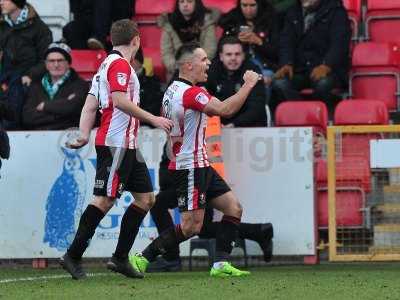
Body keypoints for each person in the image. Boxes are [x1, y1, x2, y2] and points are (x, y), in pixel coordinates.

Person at [129, 42, 260, 278]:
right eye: (203, 60)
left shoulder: (172, 90)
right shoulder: (191, 93)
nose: (208, 63)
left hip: (198, 163)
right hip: (189, 166)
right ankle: (143, 257)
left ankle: (220, 264)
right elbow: (225, 109)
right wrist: (248, 84)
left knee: (233, 208)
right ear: (189, 65)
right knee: (191, 227)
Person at [59, 19, 173, 280]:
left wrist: (85, 134)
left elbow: (90, 104)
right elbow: (120, 101)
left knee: (146, 199)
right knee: (104, 199)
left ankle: (120, 258)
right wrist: (153, 119)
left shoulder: (105, 66)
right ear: (137, 40)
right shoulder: (120, 65)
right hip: (116, 143)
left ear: (111, 39)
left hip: (127, 145)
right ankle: (73, 255)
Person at [148, 143, 273, 272]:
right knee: (203, 228)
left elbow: (177, 167)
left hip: (191, 181)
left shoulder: (182, 133)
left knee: (158, 205)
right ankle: (259, 231)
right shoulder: (180, 134)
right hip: (197, 179)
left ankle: (170, 258)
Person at [271, 0, 351, 115]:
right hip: (300, 70)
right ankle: (302, 115)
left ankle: (319, 116)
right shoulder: (293, 12)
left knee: (323, 84)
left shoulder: (336, 11)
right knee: (279, 83)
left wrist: (327, 65)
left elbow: (339, 44)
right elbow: (286, 42)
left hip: (330, 71)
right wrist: (286, 63)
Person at [0, 0, 52, 129]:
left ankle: (9, 130)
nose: (1, 2)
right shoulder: (2, 26)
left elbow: (46, 59)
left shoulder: (39, 28)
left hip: (28, 79)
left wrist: (30, 75)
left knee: (16, 88)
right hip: (5, 77)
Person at [218, 0, 279, 98]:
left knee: (262, 80)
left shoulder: (271, 20)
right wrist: (236, 40)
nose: (248, 9)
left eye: (252, 5)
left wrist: (259, 42)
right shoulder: (231, 21)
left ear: (259, 4)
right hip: (237, 67)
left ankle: (260, 111)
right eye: (244, 5)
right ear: (239, 5)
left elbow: (278, 53)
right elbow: (221, 50)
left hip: (266, 67)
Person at [22, 43, 88, 130]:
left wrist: (45, 106)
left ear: (68, 64)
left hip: (67, 136)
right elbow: (27, 117)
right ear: (46, 64)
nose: (56, 65)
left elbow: (74, 110)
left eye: (60, 60)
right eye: (52, 61)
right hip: (38, 137)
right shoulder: (36, 86)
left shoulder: (80, 84)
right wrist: (61, 110)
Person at [206, 36, 267, 127]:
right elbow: (205, 103)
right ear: (221, 56)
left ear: (243, 56)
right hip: (218, 127)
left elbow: (257, 107)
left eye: (237, 54)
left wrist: (234, 124)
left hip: (249, 128)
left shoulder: (253, 71)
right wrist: (216, 123)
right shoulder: (211, 70)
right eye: (229, 54)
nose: (233, 58)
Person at [158, 0, 220, 82]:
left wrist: (196, 65)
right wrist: (179, 67)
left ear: (196, 4)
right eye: (182, 2)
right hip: (177, 69)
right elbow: (166, 53)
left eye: (189, 1)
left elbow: (210, 49)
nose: (185, 5)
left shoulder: (207, 22)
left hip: (202, 68)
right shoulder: (169, 23)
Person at [64, 0, 135, 50]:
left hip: (114, 21)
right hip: (88, 21)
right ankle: (84, 64)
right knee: (70, 29)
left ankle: (99, 38)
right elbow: (76, 11)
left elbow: (126, 11)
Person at [131, 47, 163, 128]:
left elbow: (153, 111)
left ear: (134, 60)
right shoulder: (117, 80)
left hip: (144, 129)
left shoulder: (152, 82)